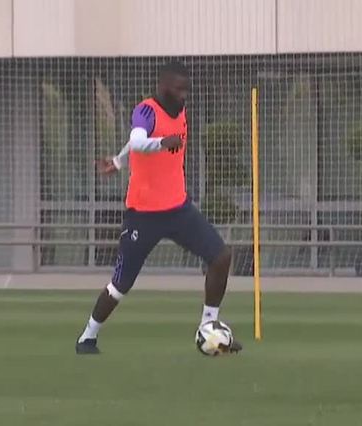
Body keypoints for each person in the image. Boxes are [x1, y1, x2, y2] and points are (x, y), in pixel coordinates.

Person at [75, 61, 241, 355]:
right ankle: (88, 336)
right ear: (163, 87)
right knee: (120, 284)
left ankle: (209, 326)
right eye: (178, 89)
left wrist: (117, 161)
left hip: (178, 209)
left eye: (186, 90)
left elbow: (132, 147)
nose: (183, 95)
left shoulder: (181, 112)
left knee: (221, 256)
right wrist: (163, 142)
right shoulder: (146, 110)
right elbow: (138, 141)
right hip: (143, 215)